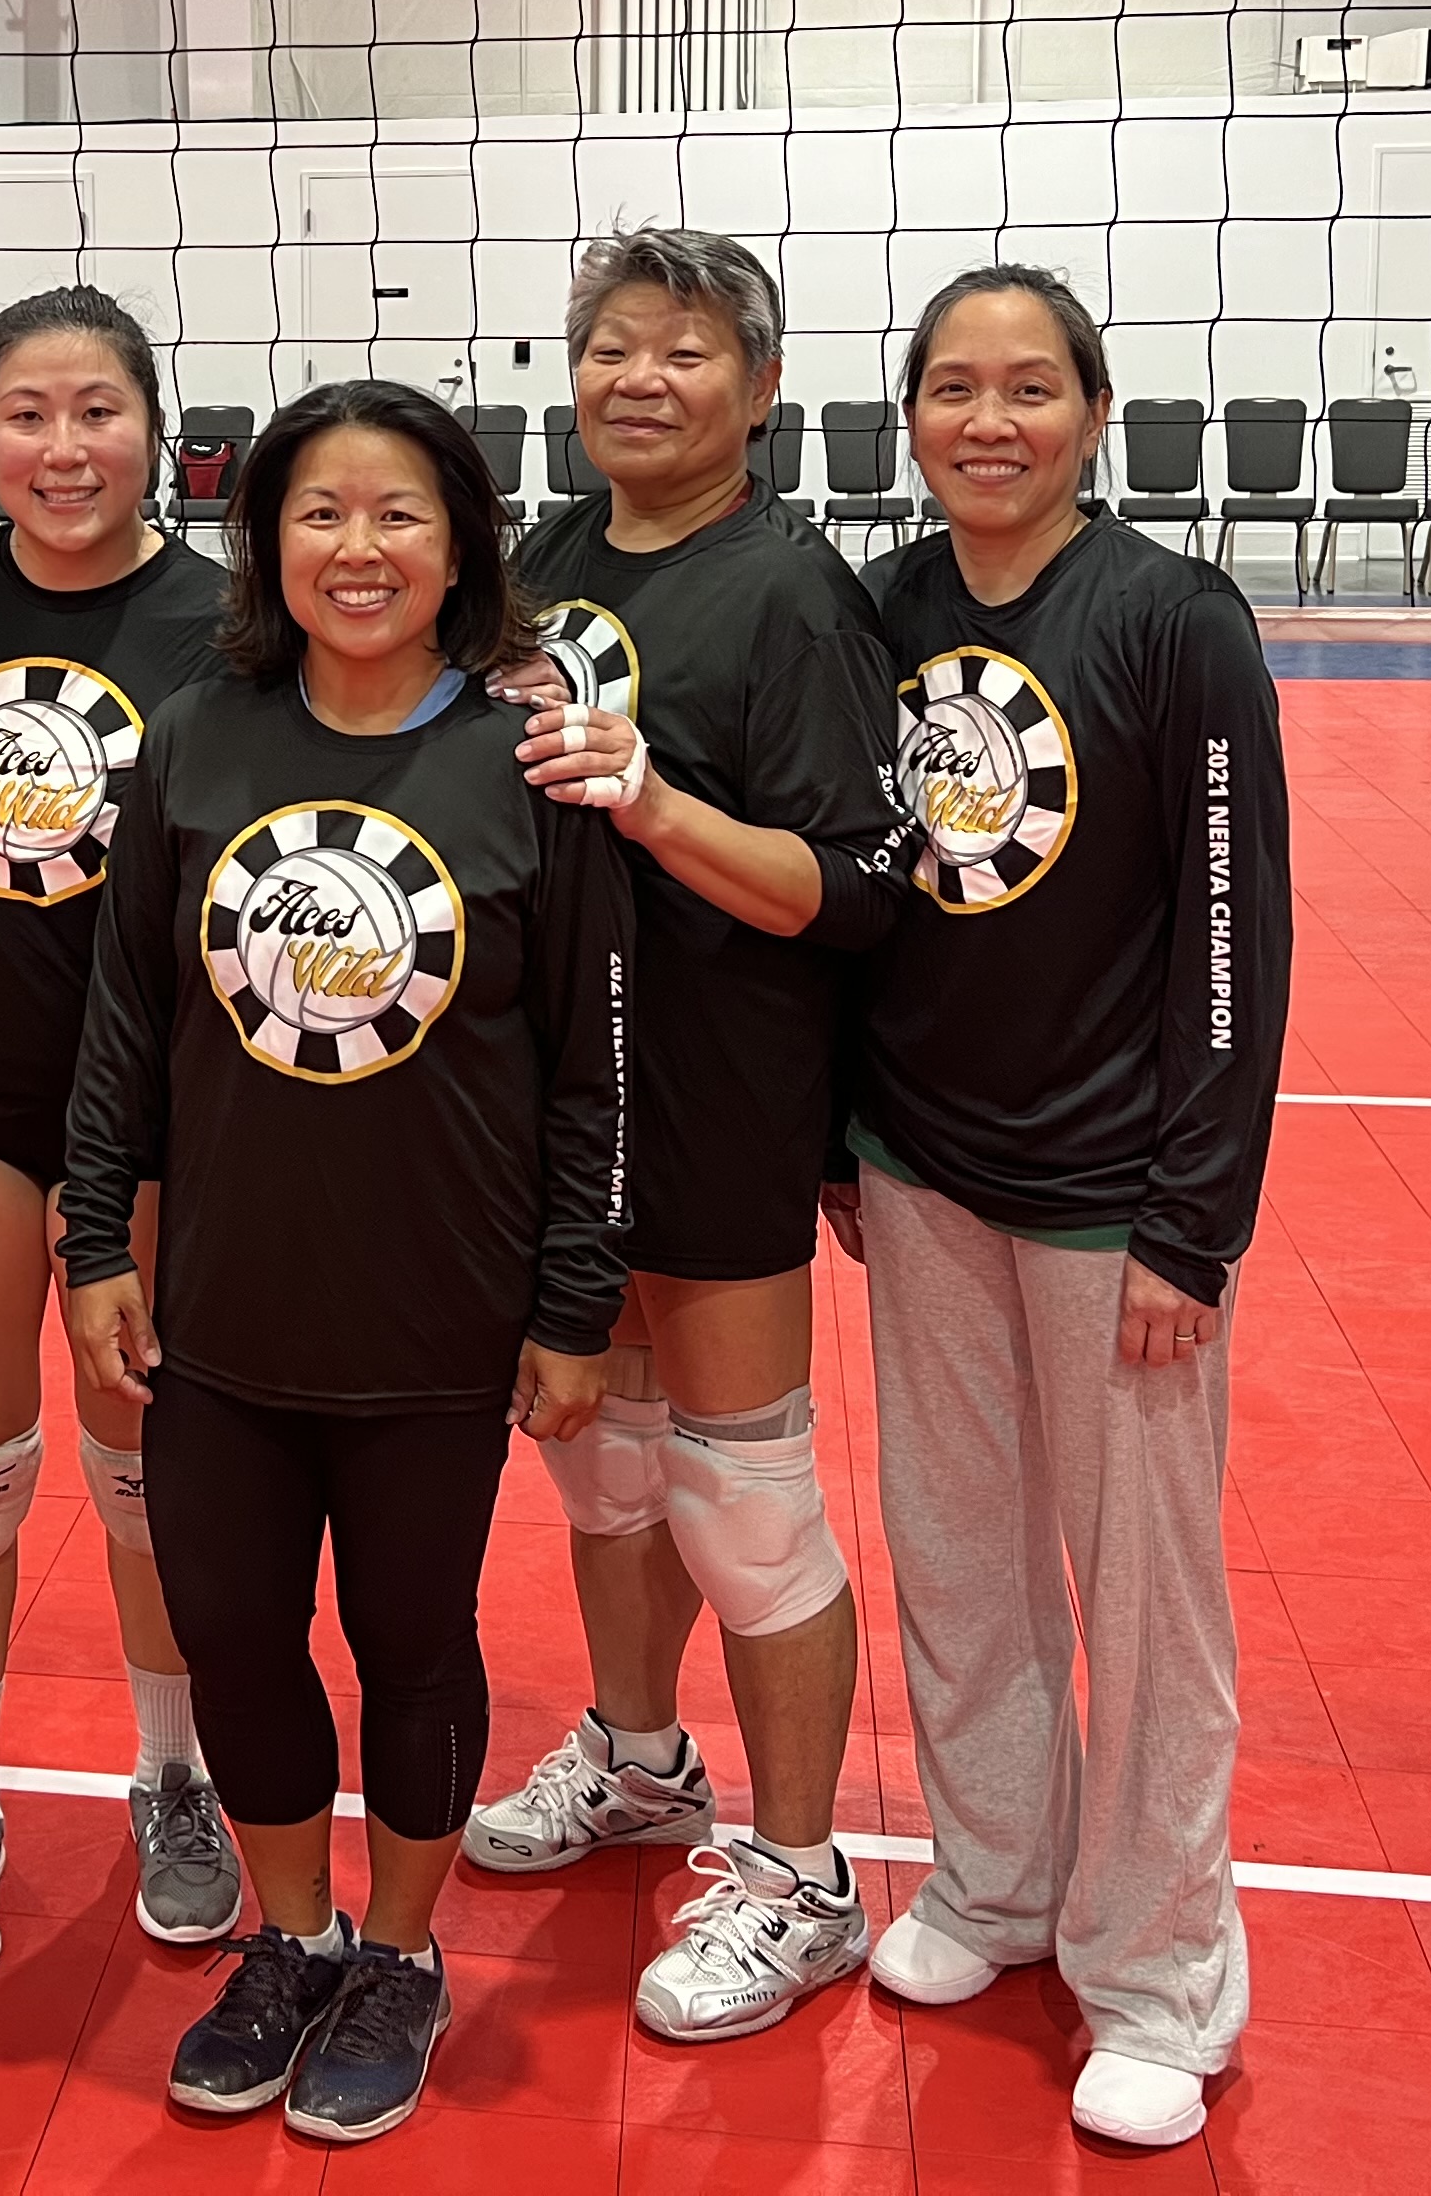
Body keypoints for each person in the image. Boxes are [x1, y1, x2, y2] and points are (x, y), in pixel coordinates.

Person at [60, 379, 633, 2150]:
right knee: (233, 1629)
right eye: (320, 511)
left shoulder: (528, 761)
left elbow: (594, 1065)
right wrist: (93, 1235)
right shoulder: (196, 738)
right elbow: (123, 1018)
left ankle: (399, 1953)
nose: (359, 547)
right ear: (267, 541)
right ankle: (294, 1934)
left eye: (399, 512)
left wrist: (574, 1300)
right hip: (227, 1305)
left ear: (461, 542)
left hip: (436, 1309)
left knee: (409, 1636)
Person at [845, 264, 1291, 2154]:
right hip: (919, 1168)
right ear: (911, 418)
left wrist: (1198, 1214)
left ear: (1094, 414)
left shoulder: (1175, 621)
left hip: (1117, 1197)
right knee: (957, 1556)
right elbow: (857, 888)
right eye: (954, 387)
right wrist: (841, 1135)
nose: (990, 420)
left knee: (1146, 1596)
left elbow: (1232, 928)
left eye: (1031, 386)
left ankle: (1162, 1973)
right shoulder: (881, 609)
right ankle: (996, 1882)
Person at [467, 228, 908, 2044]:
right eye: (612, 347)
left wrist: (654, 804)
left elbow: (854, 888)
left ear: (762, 385)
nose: (639, 379)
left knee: (743, 1494)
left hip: (718, 1091)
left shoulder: (791, 594)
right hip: (561, 1095)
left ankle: (803, 1873)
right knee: (607, 1466)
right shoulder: (542, 562)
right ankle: (642, 1760)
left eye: (686, 349)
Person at [0, 288, 242, 1979]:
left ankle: (176, 1774)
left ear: (154, 428)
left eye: (97, 411)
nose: (63, 447)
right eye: (26, 413)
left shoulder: (225, 623)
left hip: (151, 1102)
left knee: (148, 1460)